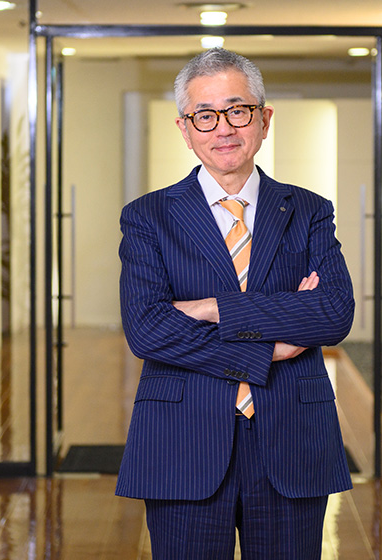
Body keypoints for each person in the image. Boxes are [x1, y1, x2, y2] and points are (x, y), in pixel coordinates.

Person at [116, 47, 355, 560]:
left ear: (264, 119)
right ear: (185, 129)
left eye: (237, 111)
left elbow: (333, 313)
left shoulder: (309, 210)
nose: (223, 128)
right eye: (205, 115)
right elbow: (148, 329)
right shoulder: (148, 216)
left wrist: (212, 308)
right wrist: (270, 348)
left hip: (292, 439)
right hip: (183, 441)